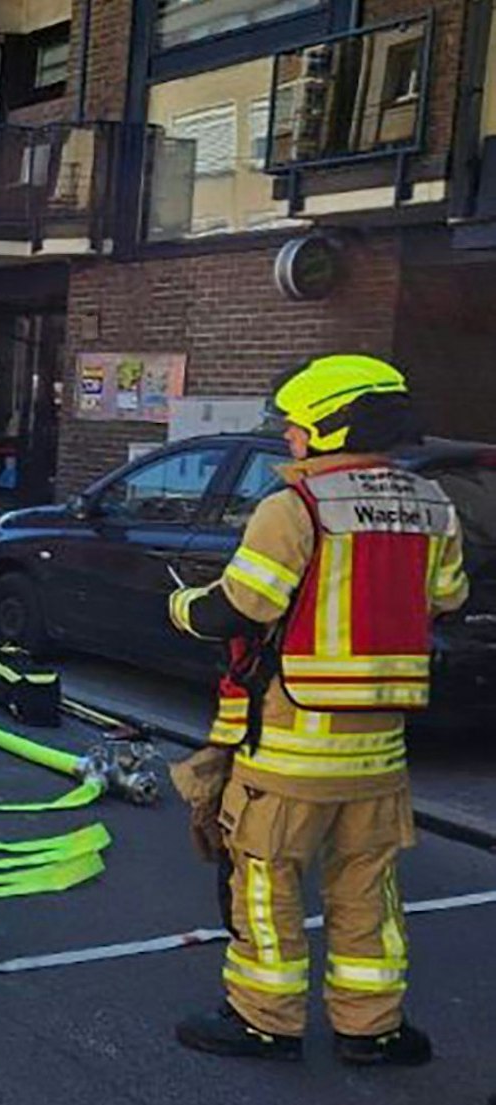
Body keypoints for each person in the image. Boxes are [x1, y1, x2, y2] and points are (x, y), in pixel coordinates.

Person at [168, 355, 467, 1066]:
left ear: (332, 428)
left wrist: (181, 606)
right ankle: (372, 1030)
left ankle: (262, 1020)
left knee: (265, 887)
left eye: (297, 429)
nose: (290, 442)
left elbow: (241, 607)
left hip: (291, 745)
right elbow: (447, 597)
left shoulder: (294, 507)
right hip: (380, 751)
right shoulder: (432, 504)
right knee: (367, 890)